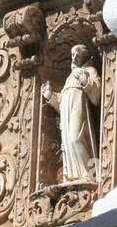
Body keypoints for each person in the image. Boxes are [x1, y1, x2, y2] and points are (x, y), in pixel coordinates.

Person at [42, 44, 101, 183]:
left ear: (84, 57)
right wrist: (50, 96)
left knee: (76, 137)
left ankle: (88, 174)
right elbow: (62, 101)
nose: (74, 57)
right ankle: (74, 175)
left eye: (77, 55)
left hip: (79, 105)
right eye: (72, 54)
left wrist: (85, 80)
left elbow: (97, 95)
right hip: (67, 109)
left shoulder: (89, 70)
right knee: (69, 140)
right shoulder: (70, 77)